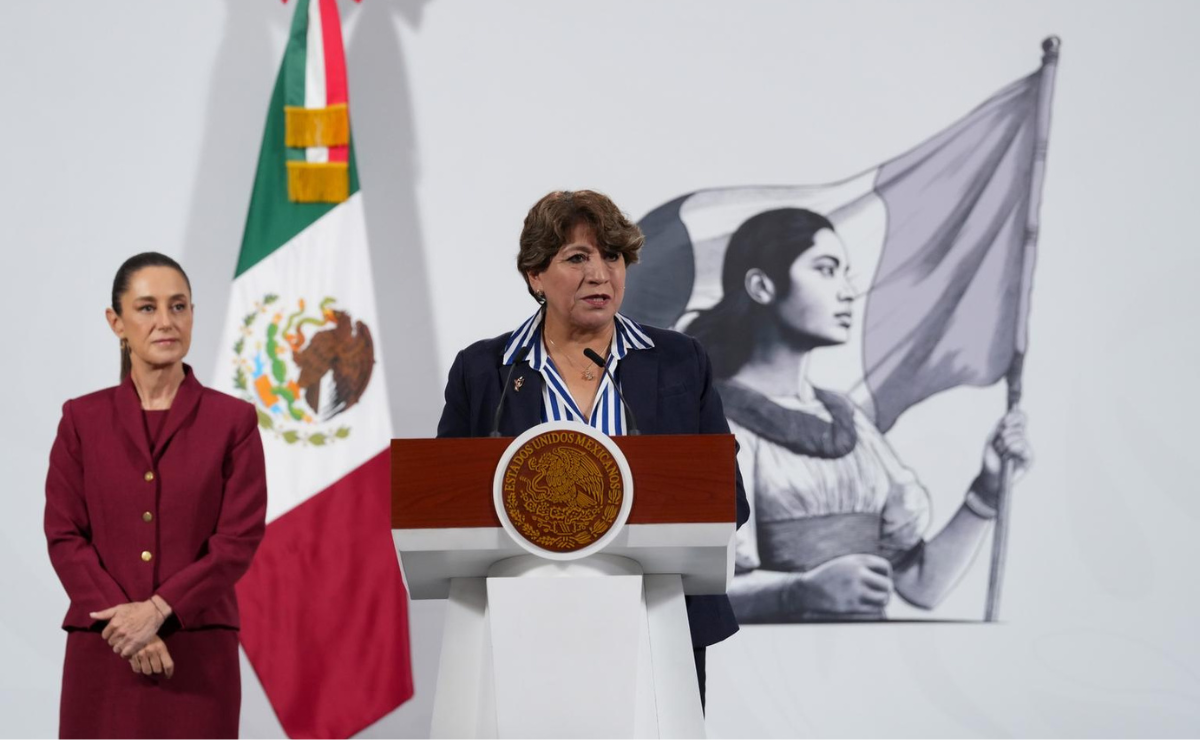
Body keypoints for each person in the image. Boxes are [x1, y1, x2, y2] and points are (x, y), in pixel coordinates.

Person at [437, 189, 750, 707]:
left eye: (612, 256)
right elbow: (446, 504)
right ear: (535, 275)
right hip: (525, 614)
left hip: (660, 613)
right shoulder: (484, 371)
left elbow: (726, 498)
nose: (600, 274)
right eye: (576, 257)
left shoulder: (677, 361)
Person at [687, 208, 1033, 622]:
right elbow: (692, 595)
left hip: (866, 668)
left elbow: (921, 586)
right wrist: (798, 592)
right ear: (762, 286)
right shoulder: (708, 420)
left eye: (845, 272)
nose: (848, 291)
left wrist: (988, 489)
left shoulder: (847, 420)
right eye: (826, 269)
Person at [45, 252, 267, 738]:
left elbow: (238, 540)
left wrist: (159, 610)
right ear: (116, 322)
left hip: (197, 653)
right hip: (103, 651)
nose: (166, 321)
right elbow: (64, 535)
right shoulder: (81, 420)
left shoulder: (233, 422)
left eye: (179, 306)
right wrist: (125, 626)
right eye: (147, 308)